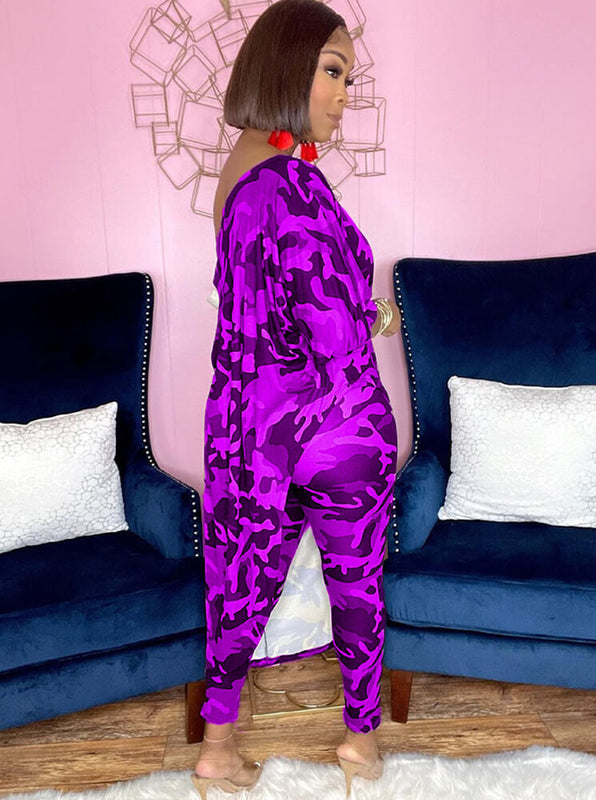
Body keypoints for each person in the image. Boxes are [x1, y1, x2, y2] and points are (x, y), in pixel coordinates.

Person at [192, 0, 401, 796]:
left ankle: (218, 749)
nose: (346, 95)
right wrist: (374, 314)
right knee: (356, 586)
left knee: (239, 584)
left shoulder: (238, 173)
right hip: (335, 423)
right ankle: (360, 743)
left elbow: (255, 305)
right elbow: (332, 331)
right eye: (333, 71)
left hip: (247, 423)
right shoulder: (291, 182)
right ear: (286, 66)